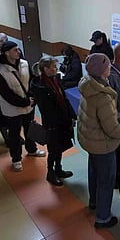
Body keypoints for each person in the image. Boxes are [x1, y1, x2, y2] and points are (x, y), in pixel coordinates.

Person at [77, 53, 120, 229]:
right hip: (102, 144)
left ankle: (94, 202)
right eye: (107, 66)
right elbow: (111, 128)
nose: (110, 68)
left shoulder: (87, 85)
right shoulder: (102, 96)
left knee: (94, 172)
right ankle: (103, 217)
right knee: (106, 180)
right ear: (101, 70)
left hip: (90, 140)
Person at [0, 41, 46, 172]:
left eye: (18, 49)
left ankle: (32, 149)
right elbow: (6, 94)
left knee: (30, 129)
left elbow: (31, 81)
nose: (18, 52)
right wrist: (25, 102)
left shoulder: (24, 64)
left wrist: (31, 97)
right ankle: (16, 159)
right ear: (7, 53)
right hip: (12, 109)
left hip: (28, 105)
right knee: (15, 135)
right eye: (15, 50)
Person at [30, 56, 76, 186]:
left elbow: (64, 99)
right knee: (53, 148)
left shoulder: (55, 79)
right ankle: (50, 173)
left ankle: (58, 169)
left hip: (62, 120)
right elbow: (49, 109)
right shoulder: (40, 86)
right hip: (52, 122)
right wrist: (66, 119)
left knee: (60, 146)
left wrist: (71, 116)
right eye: (54, 67)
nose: (57, 69)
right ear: (46, 69)